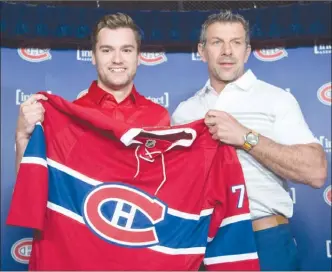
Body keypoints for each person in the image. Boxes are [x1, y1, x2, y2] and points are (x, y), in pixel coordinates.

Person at [172, 10, 328, 271]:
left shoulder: (276, 99)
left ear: (246, 51)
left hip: (264, 239)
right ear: (201, 51)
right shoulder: (184, 113)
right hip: (204, 243)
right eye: (217, 42)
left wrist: (245, 137)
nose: (227, 51)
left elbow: (316, 172)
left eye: (236, 42)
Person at [15, 13, 170, 173]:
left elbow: (169, 188)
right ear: (93, 56)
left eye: (126, 50)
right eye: (107, 50)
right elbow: (32, 186)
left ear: (138, 57)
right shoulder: (68, 120)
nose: (117, 59)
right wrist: (22, 137)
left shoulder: (159, 118)